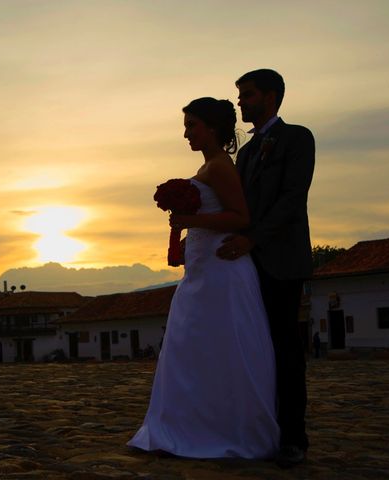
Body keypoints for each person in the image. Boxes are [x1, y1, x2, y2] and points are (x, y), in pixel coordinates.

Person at [127, 97, 279, 459]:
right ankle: (193, 423)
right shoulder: (210, 165)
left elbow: (240, 216)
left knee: (217, 347)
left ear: (212, 128)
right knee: (195, 348)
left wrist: (190, 221)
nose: (186, 133)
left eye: (192, 125)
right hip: (202, 270)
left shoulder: (220, 167)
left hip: (221, 272)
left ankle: (215, 428)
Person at [217, 69, 315, 467]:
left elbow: (293, 198)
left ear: (271, 96)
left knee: (285, 349)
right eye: (239, 95)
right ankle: (258, 428)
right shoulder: (245, 152)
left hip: (281, 261)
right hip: (245, 264)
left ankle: (293, 437)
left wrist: (253, 239)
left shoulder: (297, 138)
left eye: (248, 94)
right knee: (252, 350)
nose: (240, 101)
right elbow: (239, 206)